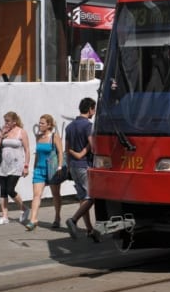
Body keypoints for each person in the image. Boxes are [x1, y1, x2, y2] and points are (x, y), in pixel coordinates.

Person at [23, 114, 63, 231]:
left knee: (55, 194)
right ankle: (33, 219)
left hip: (52, 170)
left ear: (49, 125)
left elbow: (60, 152)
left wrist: (60, 167)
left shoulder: (54, 137)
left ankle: (57, 217)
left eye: (42, 123)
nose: (39, 125)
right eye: (39, 123)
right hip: (39, 170)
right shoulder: (38, 137)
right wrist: (34, 167)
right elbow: (38, 153)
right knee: (36, 195)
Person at [65, 97, 98, 241]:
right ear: (90, 109)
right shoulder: (88, 126)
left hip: (73, 166)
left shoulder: (69, 126)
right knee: (92, 197)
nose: (94, 112)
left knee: (83, 198)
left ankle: (90, 230)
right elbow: (93, 145)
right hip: (84, 165)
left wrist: (68, 167)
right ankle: (73, 220)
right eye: (94, 109)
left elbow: (67, 149)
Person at [0, 111, 30, 225]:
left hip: (16, 166)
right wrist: (1, 134)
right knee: (3, 191)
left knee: (10, 189)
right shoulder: (3, 132)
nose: (6, 123)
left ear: (14, 121)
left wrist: (26, 166)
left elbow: (27, 150)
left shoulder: (21, 132)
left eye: (8, 121)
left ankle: (24, 208)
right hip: (3, 166)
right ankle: (4, 216)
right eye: (5, 121)